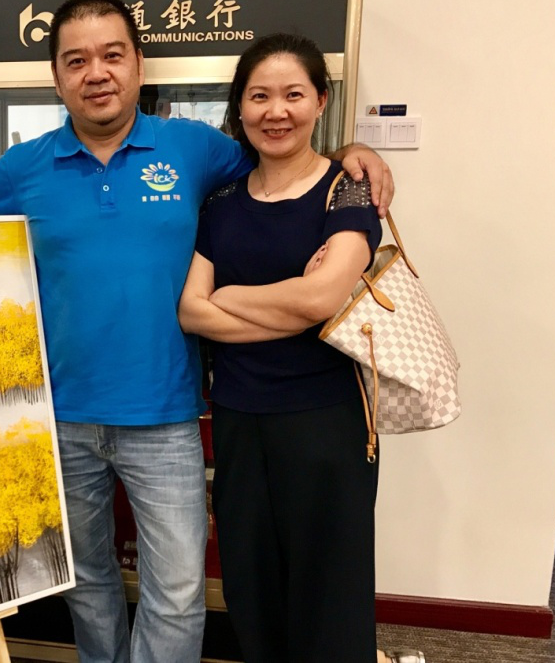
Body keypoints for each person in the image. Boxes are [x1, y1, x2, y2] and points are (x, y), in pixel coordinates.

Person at [0, 0, 394, 663]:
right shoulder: (18, 171)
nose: (96, 73)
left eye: (112, 55)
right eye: (76, 61)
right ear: (56, 77)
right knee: (86, 582)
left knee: (176, 590)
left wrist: (352, 152)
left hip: (166, 416)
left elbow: (283, 155)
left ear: (139, 64)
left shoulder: (194, 149)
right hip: (58, 415)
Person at [178, 33, 393, 662]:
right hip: (239, 418)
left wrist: (232, 296)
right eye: (260, 97)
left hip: (327, 421)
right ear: (240, 108)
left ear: (320, 101)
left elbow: (323, 297)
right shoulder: (222, 203)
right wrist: (292, 305)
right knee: (252, 583)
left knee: (330, 587)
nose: (277, 111)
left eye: (294, 95)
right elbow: (191, 310)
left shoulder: (346, 191)